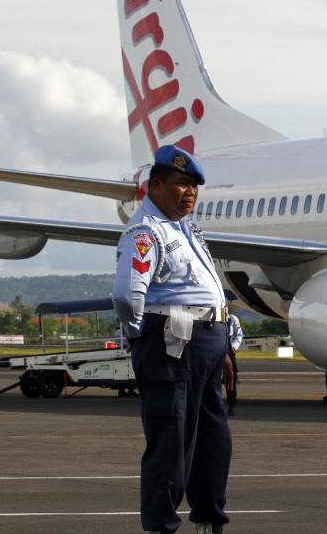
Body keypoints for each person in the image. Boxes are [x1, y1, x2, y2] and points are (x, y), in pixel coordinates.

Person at [112, 144, 232, 534]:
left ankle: (208, 520)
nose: (190, 193)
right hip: (172, 345)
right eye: (182, 184)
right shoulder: (146, 232)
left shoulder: (187, 231)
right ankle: (161, 526)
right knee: (171, 445)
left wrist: (225, 346)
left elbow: (208, 292)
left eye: (194, 186)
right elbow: (127, 296)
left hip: (208, 346)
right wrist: (138, 338)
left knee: (213, 443)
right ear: (155, 186)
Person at [225, 314, 243, 415]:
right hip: (215, 349)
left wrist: (234, 347)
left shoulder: (232, 319)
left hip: (229, 351)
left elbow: (239, 335)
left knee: (231, 376)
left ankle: (231, 404)